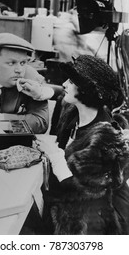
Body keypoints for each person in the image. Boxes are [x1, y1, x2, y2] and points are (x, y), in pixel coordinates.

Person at [22, 55, 129, 234]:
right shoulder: (75, 112)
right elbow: (60, 93)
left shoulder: (105, 137)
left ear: (86, 90)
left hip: (94, 217)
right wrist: (41, 92)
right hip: (70, 197)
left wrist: (55, 156)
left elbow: (79, 190)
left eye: (71, 81)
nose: (64, 83)